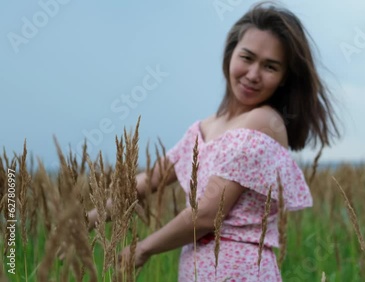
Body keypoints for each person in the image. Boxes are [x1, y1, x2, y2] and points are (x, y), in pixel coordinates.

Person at [87, 2, 340, 281]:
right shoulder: (203, 128)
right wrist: (89, 219)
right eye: (247, 57)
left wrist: (144, 248)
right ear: (230, 54)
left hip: (242, 273)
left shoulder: (263, 122)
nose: (253, 74)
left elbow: (208, 214)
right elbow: (150, 181)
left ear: (283, 79)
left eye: (270, 66)